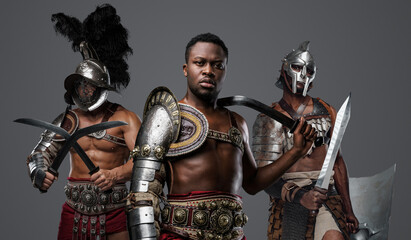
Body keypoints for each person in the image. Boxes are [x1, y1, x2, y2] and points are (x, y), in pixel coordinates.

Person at [126, 33, 316, 240]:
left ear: (225, 71)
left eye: (218, 65)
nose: (208, 71)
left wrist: (296, 151)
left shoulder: (237, 122)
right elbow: (143, 194)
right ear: (185, 69)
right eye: (200, 63)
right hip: (180, 235)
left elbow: (252, 183)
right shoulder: (166, 116)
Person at [25, 5, 140, 240]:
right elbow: (39, 153)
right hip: (74, 211)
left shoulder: (125, 118)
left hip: (115, 210)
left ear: (101, 87)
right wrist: (39, 172)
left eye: (89, 85)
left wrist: (115, 175)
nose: (84, 90)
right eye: (80, 85)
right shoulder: (68, 119)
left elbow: (146, 162)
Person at [252, 41, 359, 240]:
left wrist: (349, 209)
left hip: (327, 194)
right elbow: (264, 179)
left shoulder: (327, 111)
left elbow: (337, 162)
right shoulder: (268, 119)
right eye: (297, 67)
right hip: (290, 197)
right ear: (284, 70)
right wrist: (301, 196)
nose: (303, 75)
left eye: (309, 70)